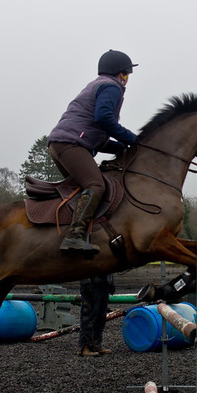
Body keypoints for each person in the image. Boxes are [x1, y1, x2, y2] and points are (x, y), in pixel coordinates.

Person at [48, 50, 138, 254]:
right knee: (95, 185)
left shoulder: (97, 84)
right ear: (120, 73)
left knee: (82, 191)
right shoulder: (111, 86)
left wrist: (119, 147)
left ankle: (83, 233)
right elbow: (104, 119)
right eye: (127, 74)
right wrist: (133, 140)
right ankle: (74, 237)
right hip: (71, 144)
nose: (127, 79)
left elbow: (97, 135)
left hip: (63, 143)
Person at [78, 274, 115, 357]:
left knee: (101, 316)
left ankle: (96, 344)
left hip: (104, 284)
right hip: (92, 284)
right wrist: (86, 282)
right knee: (89, 316)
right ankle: (85, 347)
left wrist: (111, 283)